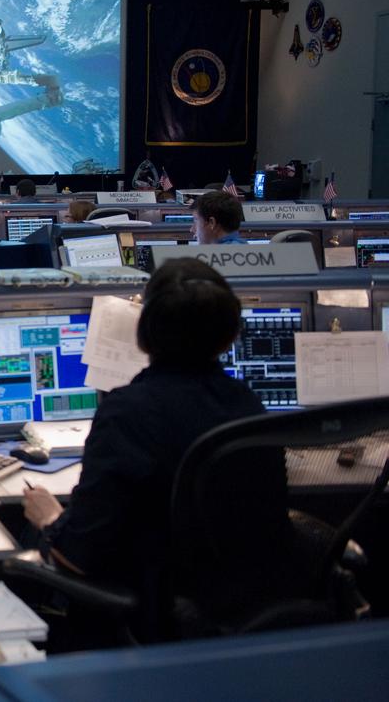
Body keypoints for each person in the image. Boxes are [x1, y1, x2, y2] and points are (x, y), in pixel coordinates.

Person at [22, 258, 285, 640]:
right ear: (230, 336)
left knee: (27, 537)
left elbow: (79, 556)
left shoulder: (127, 412)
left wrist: (50, 519)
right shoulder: (247, 404)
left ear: (144, 335)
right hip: (247, 612)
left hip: (153, 614)